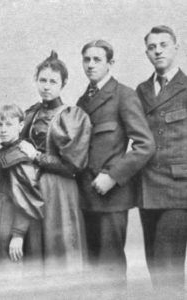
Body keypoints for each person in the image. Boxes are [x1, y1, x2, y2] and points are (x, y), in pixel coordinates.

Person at [76, 40, 155, 297]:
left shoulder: (124, 94)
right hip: (85, 196)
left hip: (111, 198)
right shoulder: (81, 100)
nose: (90, 65)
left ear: (110, 63)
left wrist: (113, 175)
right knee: (90, 270)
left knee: (110, 272)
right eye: (87, 59)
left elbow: (145, 145)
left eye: (97, 59)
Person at [20, 51, 91, 272]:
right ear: (36, 81)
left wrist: (36, 156)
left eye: (53, 81)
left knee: (59, 249)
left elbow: (73, 165)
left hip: (59, 189)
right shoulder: (30, 113)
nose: (47, 86)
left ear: (64, 83)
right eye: (43, 80)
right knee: (34, 250)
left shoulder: (72, 115)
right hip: (31, 188)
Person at [136, 25, 187, 299]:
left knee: (169, 267)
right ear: (147, 53)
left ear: (176, 48)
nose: (158, 50)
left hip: (178, 188)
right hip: (147, 188)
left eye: (163, 45)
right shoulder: (141, 90)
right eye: (152, 47)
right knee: (154, 265)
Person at [0, 104, 43, 272]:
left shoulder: (21, 154)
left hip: (10, 219)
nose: (3, 129)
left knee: (8, 268)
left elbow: (27, 199)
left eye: (9, 125)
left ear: (21, 126)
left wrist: (18, 235)